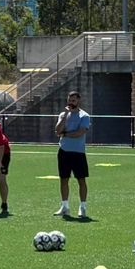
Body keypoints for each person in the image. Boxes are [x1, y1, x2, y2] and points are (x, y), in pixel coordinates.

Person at [52, 91, 91, 221]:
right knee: (64, 179)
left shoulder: (84, 116)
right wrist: (66, 116)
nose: (71, 103)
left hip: (78, 152)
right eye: (69, 100)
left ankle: (83, 206)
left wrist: (65, 134)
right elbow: (57, 131)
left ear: (78, 101)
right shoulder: (63, 114)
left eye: (73, 101)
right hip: (64, 151)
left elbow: (80, 132)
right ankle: (65, 206)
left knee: (81, 180)